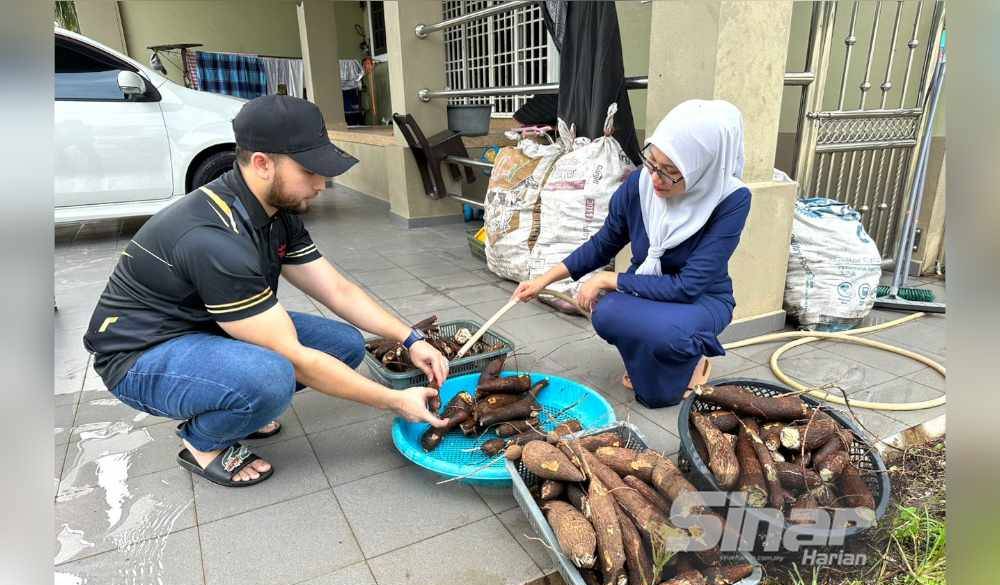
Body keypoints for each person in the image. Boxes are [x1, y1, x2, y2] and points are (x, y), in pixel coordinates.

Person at [83, 95, 449, 488]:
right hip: (140, 356)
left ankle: (238, 403)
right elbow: (296, 360)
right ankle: (202, 442)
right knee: (273, 377)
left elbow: (337, 290)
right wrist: (393, 400)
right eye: (310, 171)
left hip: (206, 326)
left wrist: (410, 338)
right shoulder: (213, 238)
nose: (321, 184)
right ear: (262, 164)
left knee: (343, 344)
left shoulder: (275, 211)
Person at [513, 99, 750, 408]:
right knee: (606, 313)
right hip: (646, 291)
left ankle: (693, 361)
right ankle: (646, 360)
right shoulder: (641, 184)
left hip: (700, 298)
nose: (656, 179)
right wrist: (542, 281)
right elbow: (603, 243)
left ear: (702, 169)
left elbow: (688, 286)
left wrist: (608, 279)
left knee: (667, 341)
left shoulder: (731, 199)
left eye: (670, 172)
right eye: (652, 162)